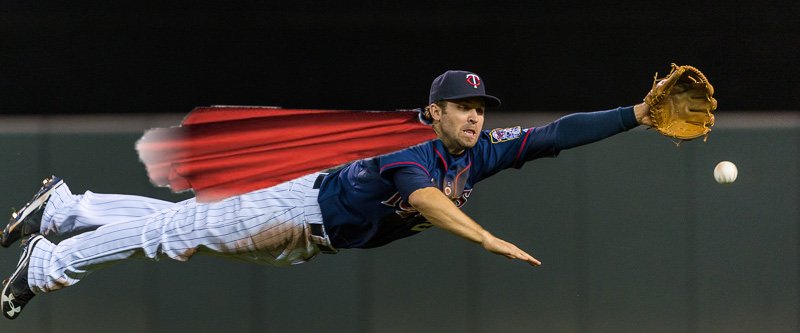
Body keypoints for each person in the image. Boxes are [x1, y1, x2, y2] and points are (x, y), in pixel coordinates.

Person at [1, 70, 654, 320]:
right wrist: (485, 238)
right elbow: (425, 200)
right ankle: (50, 262)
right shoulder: (411, 146)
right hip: (293, 209)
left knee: (180, 226)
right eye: (462, 106)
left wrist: (636, 114)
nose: (475, 116)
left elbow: (555, 133)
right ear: (434, 111)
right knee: (172, 237)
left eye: (480, 107)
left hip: (311, 237)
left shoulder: (480, 149)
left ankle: (64, 209)